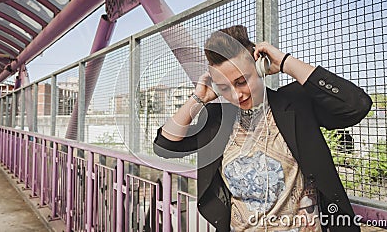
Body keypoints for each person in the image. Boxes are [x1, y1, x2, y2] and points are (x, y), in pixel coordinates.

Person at [153, 25, 372, 231]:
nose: (237, 95)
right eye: (224, 87)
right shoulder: (218, 120)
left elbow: (356, 106)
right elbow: (165, 146)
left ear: (260, 68)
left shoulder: (295, 103)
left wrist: (285, 62)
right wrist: (198, 98)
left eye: (241, 81)